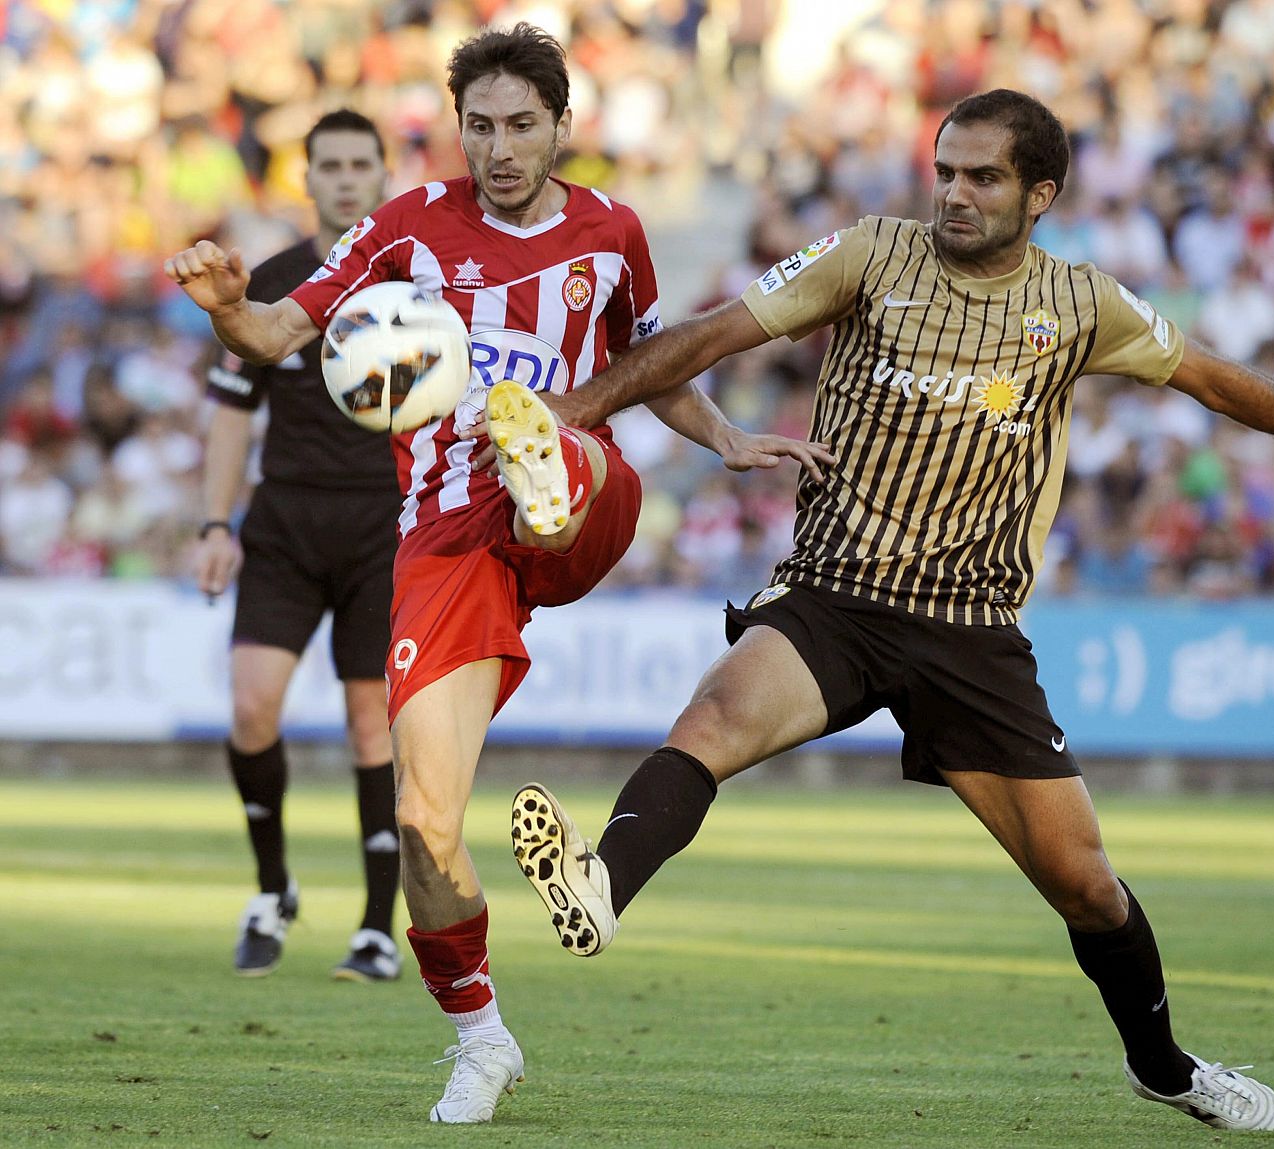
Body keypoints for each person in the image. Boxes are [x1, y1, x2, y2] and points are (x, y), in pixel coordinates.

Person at [512, 89, 1274, 1134]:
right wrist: (570, 414)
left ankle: (1163, 1067)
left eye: (982, 177)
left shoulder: (1081, 304)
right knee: (709, 724)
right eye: (944, 171)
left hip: (971, 628)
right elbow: (710, 338)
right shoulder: (868, 255)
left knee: (1088, 889)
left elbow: (1211, 380)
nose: (955, 194)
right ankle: (601, 887)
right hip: (836, 594)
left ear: (1041, 194)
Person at [164, 23, 829, 1125]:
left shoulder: (612, 232)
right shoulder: (407, 226)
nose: (501, 145)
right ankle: (481, 1035)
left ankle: (543, 463)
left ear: (562, 127)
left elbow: (649, 363)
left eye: (523, 124)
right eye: (481, 125)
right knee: (428, 822)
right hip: (446, 542)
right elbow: (281, 332)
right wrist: (229, 305)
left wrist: (724, 439)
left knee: (548, 435)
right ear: (458, 129)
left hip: (579, 498)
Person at [194, 109, 401, 983]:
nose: (347, 178)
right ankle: (272, 890)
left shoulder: (416, 284)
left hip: (384, 524)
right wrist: (215, 524)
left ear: (383, 173)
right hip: (282, 524)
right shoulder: (269, 283)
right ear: (307, 178)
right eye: (331, 165)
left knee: (370, 724)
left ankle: (375, 927)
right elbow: (231, 415)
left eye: (361, 163)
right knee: (250, 708)